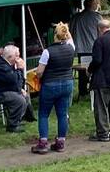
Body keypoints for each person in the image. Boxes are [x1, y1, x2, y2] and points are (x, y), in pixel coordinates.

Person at [31, 23, 76, 154]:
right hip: (67, 83)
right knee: (62, 113)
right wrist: (65, 26)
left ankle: (43, 143)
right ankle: (60, 142)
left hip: (50, 84)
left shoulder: (47, 51)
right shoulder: (71, 48)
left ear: (54, 35)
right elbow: (70, 39)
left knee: (44, 114)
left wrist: (37, 75)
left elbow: (39, 72)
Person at [0, 44, 31, 133]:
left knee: (25, 97)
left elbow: (15, 82)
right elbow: (13, 80)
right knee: (19, 99)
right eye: (17, 56)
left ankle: (17, 121)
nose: (19, 58)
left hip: (4, 90)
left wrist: (20, 89)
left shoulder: (6, 64)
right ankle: (12, 127)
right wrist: (20, 69)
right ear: (10, 57)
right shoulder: (0, 66)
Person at [69, 0, 103, 90]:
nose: (97, 5)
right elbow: (101, 32)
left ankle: (82, 89)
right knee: (95, 68)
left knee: (82, 69)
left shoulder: (76, 17)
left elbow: (70, 31)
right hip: (93, 47)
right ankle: (94, 87)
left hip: (80, 48)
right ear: (91, 5)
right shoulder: (97, 17)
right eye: (95, 3)